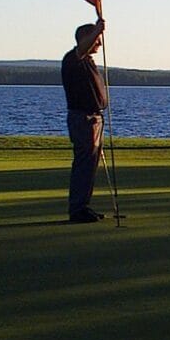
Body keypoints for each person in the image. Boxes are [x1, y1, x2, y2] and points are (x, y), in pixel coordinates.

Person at [62, 20, 109, 222]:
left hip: (94, 118)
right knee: (84, 164)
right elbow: (83, 48)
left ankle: (83, 206)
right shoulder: (74, 58)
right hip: (83, 118)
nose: (99, 42)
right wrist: (98, 29)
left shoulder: (87, 60)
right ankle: (78, 209)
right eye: (96, 38)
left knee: (90, 165)